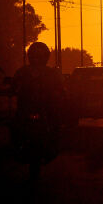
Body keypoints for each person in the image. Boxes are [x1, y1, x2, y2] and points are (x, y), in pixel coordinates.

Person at [11, 42, 63, 178]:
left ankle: (52, 147)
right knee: (13, 126)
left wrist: (60, 96)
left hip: (46, 109)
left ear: (45, 57)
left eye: (39, 57)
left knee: (57, 124)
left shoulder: (52, 73)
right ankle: (16, 148)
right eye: (34, 57)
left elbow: (61, 91)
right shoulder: (22, 73)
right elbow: (13, 88)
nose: (37, 59)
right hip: (25, 109)